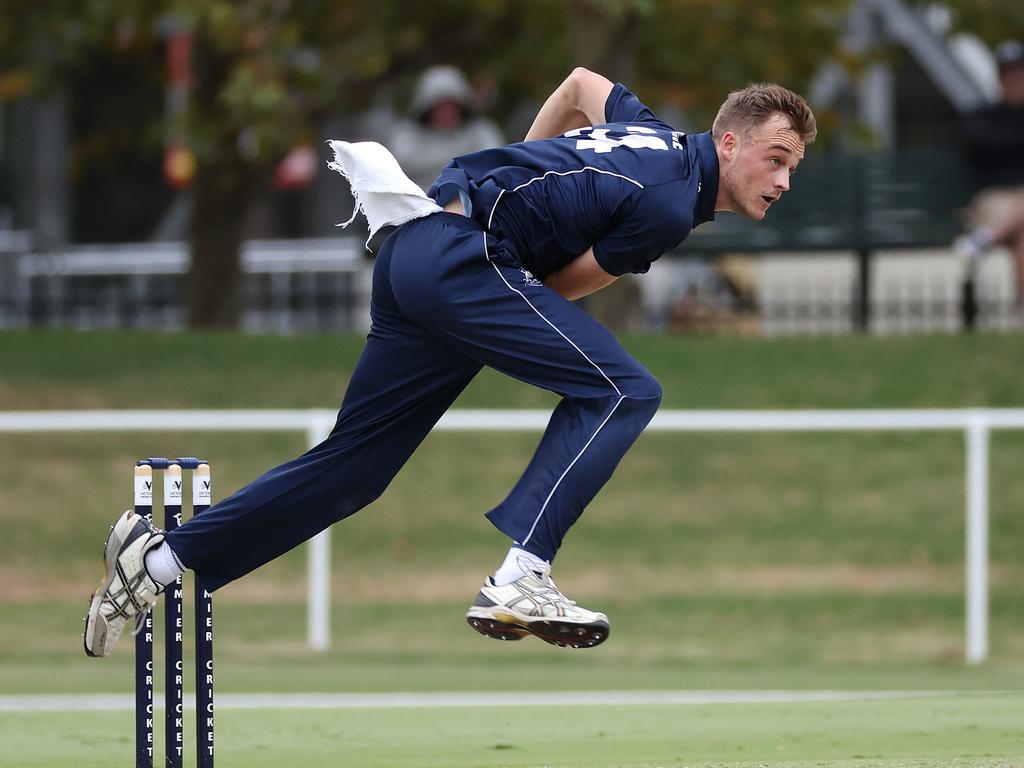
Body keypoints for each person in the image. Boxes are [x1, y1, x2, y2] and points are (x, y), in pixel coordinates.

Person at [84, 68, 815, 657]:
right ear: (726, 143)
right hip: (461, 263)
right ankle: (522, 574)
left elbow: (579, 83)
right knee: (624, 391)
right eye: (773, 159)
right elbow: (560, 289)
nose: (782, 181)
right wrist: (507, 254)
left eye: (792, 168)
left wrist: (529, 170)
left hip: (419, 248)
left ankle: (155, 564)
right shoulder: (664, 204)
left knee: (354, 468)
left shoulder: (650, 130)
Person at [954, 40, 1024, 312]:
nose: (1015, 81)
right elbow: (978, 148)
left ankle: (982, 240)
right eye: (1009, 75)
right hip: (993, 200)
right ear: (999, 79)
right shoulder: (983, 116)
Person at [389, 65, 505, 191]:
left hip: (473, 201)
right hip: (421, 202)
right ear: (428, 107)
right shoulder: (407, 135)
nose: (446, 111)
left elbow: (494, 162)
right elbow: (403, 163)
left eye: (451, 105)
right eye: (440, 106)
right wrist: (462, 160)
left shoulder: (482, 132)